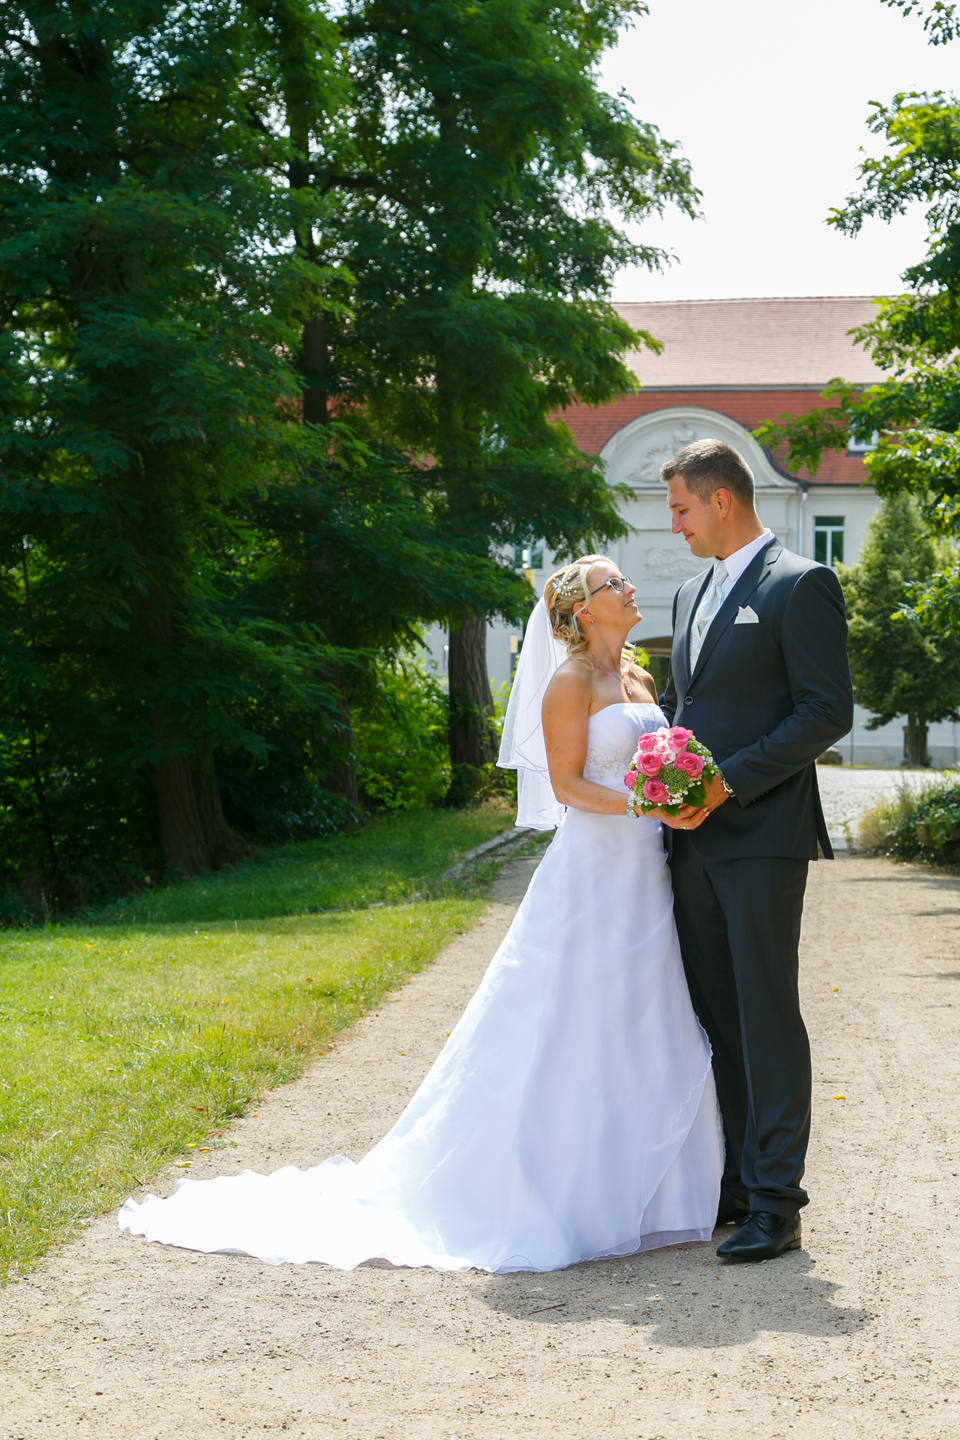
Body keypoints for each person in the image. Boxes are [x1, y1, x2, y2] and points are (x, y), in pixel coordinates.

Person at [119, 555, 723, 1273]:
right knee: (571, 1015)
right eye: (613, 583)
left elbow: (655, 757)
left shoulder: (640, 678)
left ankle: (654, 1192)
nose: (628, 588)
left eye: (623, 580)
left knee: (646, 1010)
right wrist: (643, 802)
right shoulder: (569, 682)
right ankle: (551, 1189)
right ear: (585, 610)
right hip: (593, 872)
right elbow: (565, 787)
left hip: (644, 871)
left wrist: (679, 792)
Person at [660, 439, 853, 1263]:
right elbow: (685, 702)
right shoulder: (688, 594)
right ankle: (736, 1183)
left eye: (681, 510)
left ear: (722, 501)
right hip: (690, 847)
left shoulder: (801, 584)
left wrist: (725, 784)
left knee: (765, 1013)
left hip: (762, 838)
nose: (675, 527)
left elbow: (824, 712)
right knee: (715, 1015)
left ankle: (779, 1202)